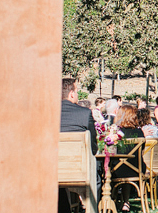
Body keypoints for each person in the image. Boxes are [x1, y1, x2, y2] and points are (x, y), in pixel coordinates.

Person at [59, 78, 97, 213]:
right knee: (96, 175)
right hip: (78, 170)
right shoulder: (84, 113)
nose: (77, 94)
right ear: (71, 93)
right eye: (76, 91)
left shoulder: (47, 113)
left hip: (54, 170)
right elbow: (94, 147)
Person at [114, 105, 144, 212]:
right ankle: (126, 202)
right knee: (127, 167)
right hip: (137, 169)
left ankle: (113, 200)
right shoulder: (139, 132)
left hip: (117, 170)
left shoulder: (115, 133)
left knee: (114, 167)